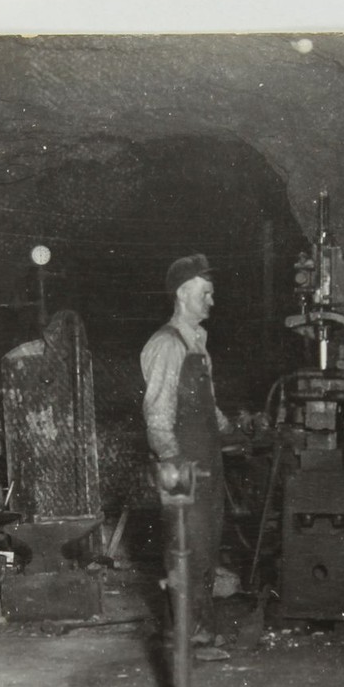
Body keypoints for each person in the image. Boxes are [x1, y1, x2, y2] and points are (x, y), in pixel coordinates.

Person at [141, 253, 236, 649]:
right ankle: (186, 632)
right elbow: (158, 415)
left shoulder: (197, 341)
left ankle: (193, 628)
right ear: (183, 293)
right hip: (180, 463)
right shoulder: (167, 345)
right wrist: (175, 464)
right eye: (206, 293)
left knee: (205, 545)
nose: (212, 301)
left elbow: (204, 404)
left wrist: (233, 428)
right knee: (185, 547)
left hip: (205, 459)